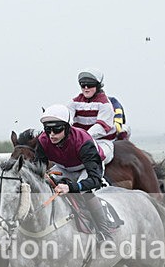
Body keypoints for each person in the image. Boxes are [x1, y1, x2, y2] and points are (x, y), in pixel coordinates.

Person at [35, 104, 113, 244]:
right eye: (48, 129)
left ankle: (105, 233)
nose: (52, 134)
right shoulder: (43, 140)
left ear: (67, 127)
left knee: (85, 192)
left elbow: (94, 179)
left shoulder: (83, 141)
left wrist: (71, 187)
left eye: (57, 129)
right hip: (64, 166)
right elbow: (38, 170)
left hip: (87, 167)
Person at [68, 68, 117, 163]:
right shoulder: (73, 102)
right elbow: (67, 119)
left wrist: (83, 138)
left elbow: (101, 127)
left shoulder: (105, 104)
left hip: (102, 142)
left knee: (95, 158)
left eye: (90, 85)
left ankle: (96, 178)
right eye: (83, 85)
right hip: (78, 142)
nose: (86, 88)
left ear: (98, 86)